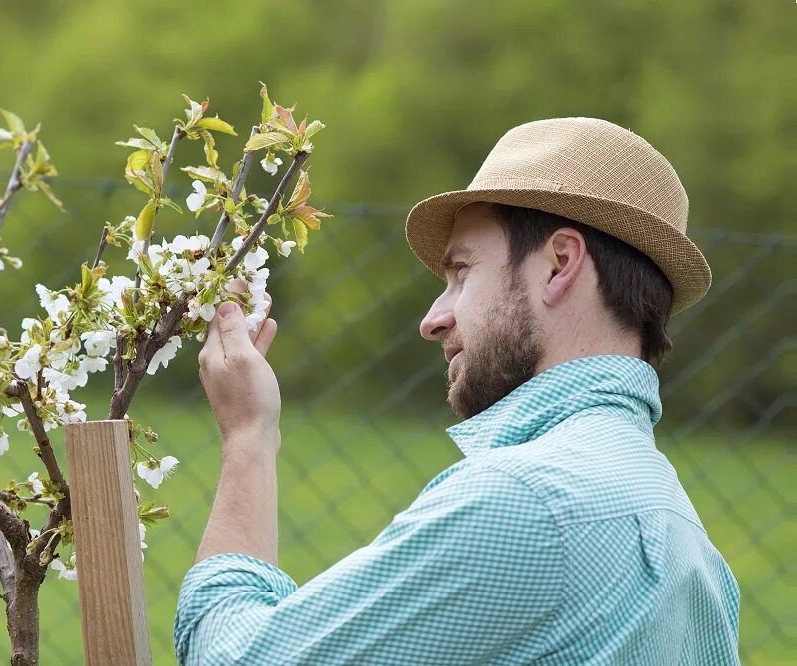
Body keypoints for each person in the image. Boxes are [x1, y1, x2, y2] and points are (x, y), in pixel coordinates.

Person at [176, 117, 741, 665]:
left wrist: (249, 438)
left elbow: (231, 657)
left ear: (559, 264)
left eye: (462, 272)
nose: (433, 319)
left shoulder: (525, 501)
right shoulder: (693, 549)